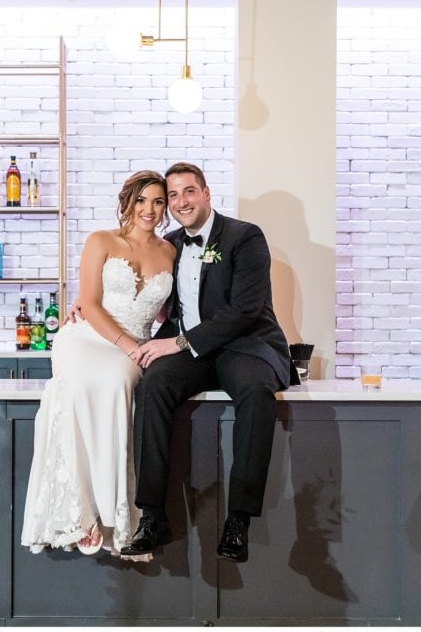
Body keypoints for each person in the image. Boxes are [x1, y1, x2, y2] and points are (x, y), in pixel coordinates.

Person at [120, 162, 293, 563]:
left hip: (245, 345)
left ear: (206, 193)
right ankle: (152, 514)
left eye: (189, 192)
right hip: (192, 352)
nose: (181, 202)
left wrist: (179, 342)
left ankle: (238, 520)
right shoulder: (170, 243)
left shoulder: (245, 236)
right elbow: (143, 288)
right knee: (153, 385)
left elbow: (246, 310)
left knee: (254, 389)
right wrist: (85, 302)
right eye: (173, 195)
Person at [20, 171, 175, 559]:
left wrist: (163, 341)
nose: (150, 210)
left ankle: (112, 515)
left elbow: (170, 312)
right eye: (142, 200)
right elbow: (87, 302)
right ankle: (80, 512)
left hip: (134, 349)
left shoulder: (171, 252)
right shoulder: (101, 240)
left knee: (118, 385)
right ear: (127, 201)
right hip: (87, 338)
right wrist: (126, 344)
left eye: (158, 202)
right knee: (77, 392)